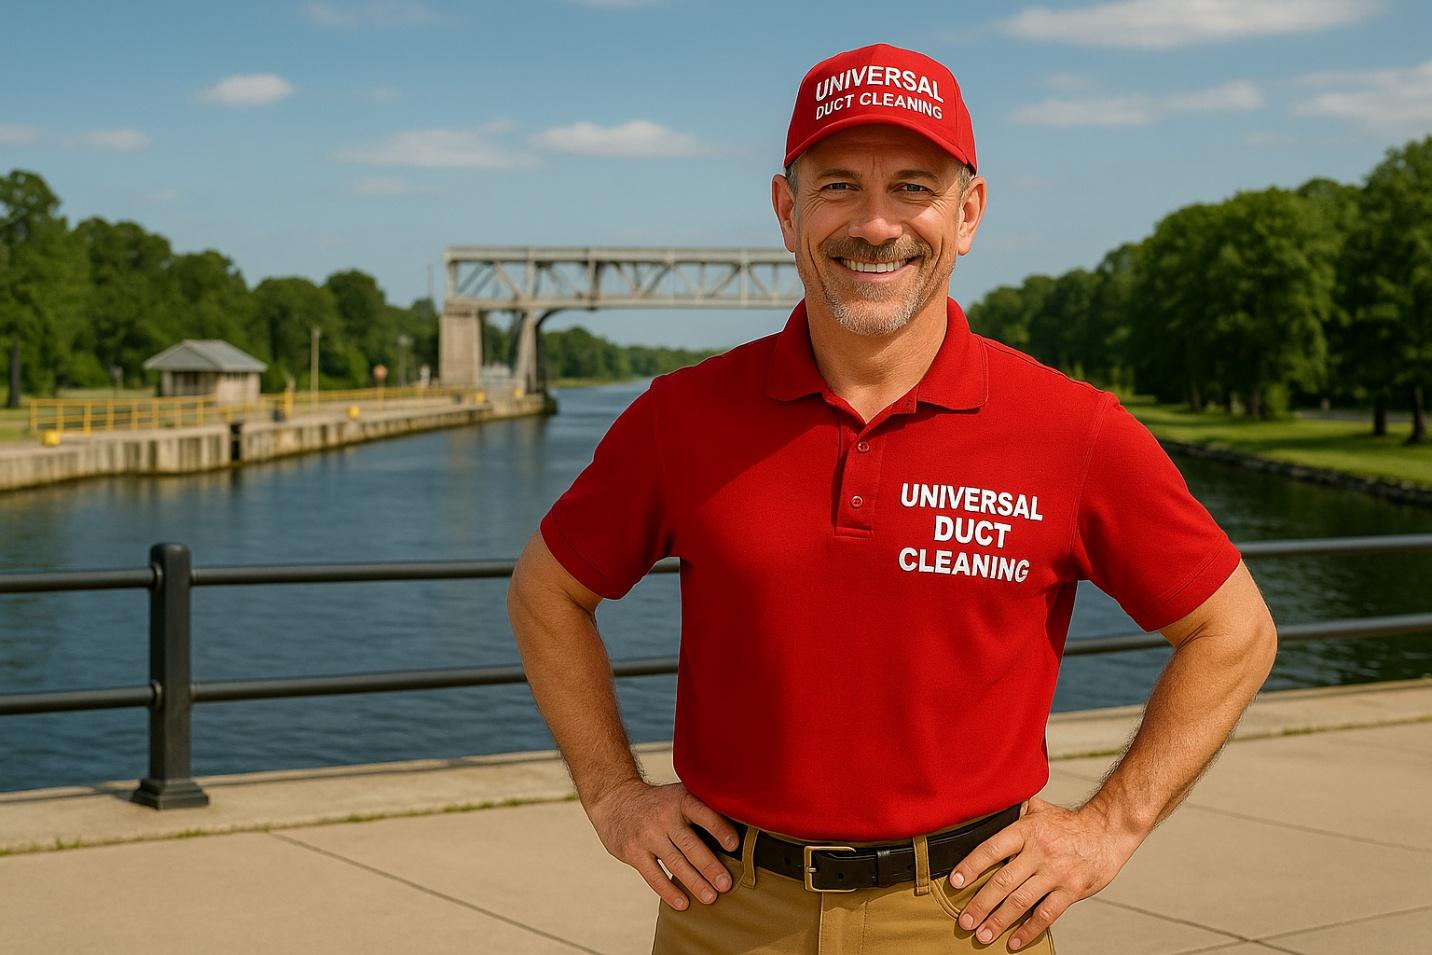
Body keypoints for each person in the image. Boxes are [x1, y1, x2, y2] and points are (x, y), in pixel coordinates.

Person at [507, 42, 1278, 954]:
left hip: (967, 916)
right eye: (837, 186)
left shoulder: (1073, 430)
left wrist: (1111, 824)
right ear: (786, 210)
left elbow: (1235, 631)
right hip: (727, 912)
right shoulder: (682, 416)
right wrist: (613, 793)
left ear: (969, 212)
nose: (876, 225)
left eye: (914, 186)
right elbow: (546, 592)